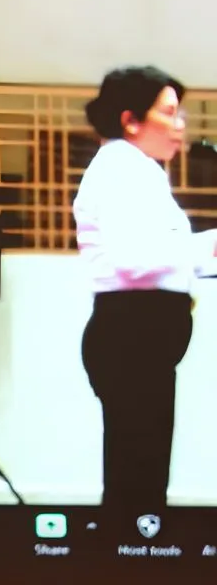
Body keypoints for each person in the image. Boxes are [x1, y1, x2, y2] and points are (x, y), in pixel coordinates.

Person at [73, 65, 217, 513]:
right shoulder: (121, 169)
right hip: (131, 334)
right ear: (131, 120)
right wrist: (204, 248)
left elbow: (163, 257)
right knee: (137, 477)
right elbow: (135, 261)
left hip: (139, 336)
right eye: (169, 113)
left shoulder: (138, 170)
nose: (181, 125)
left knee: (142, 470)